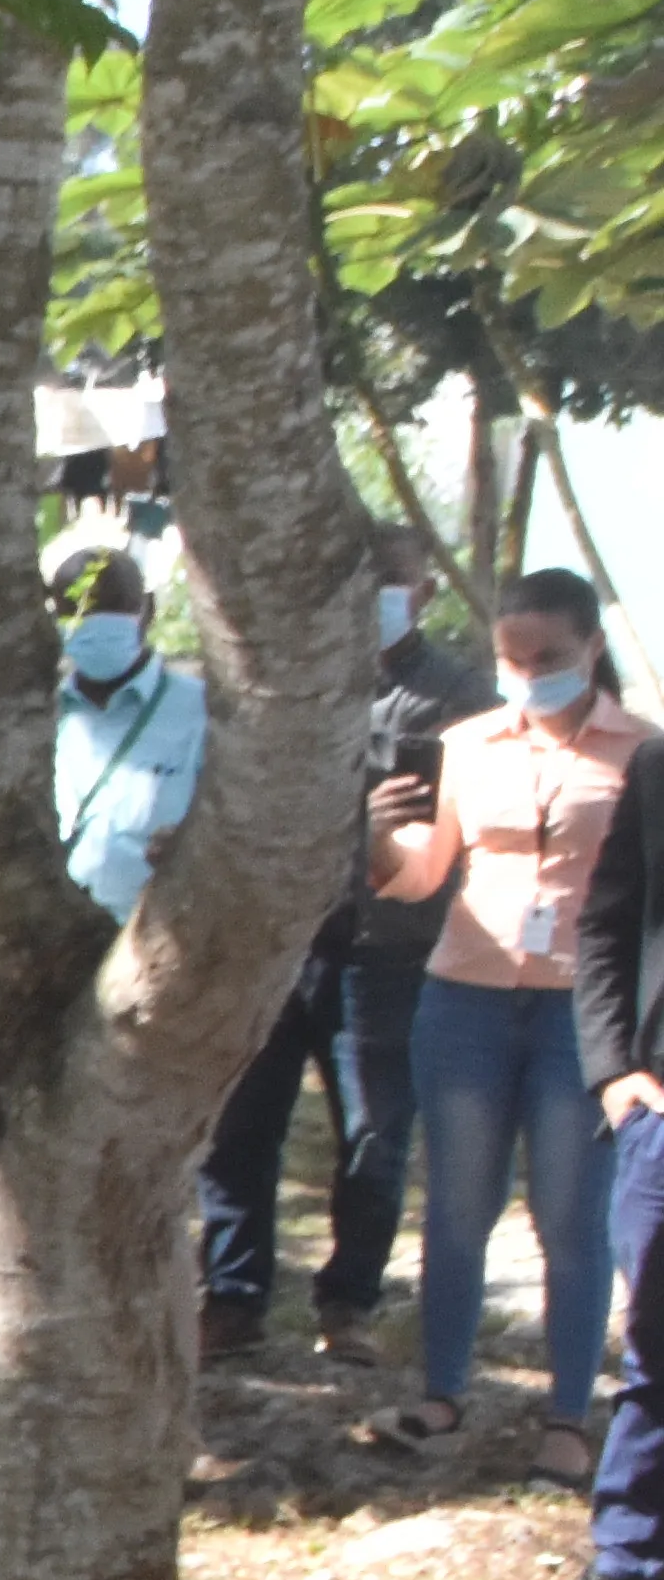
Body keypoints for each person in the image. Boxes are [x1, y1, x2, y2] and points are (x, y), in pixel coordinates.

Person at [371, 570, 647, 1483]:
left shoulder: (644, 752)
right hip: (465, 998)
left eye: (551, 658)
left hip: (585, 1010)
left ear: (593, 648)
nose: (531, 674)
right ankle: (440, 1394)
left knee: (572, 1217)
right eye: (512, 658)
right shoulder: (469, 743)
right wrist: (376, 841)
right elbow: (422, 874)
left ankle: (569, 1415)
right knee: (456, 1207)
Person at [206, 525, 478, 1360]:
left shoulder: (460, 698)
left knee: (374, 1131)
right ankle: (232, 1295)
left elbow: (463, 826)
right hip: (281, 937)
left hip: (388, 947)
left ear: (426, 590)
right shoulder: (293, 684)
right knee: (241, 1123)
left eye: (392, 581)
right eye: (361, 580)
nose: (375, 597)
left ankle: (349, 1300)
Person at [553, 658, 664, 1580]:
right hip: (659, 1114)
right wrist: (613, 1072)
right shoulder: (658, 771)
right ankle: (631, 1559)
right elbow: (605, 928)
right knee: (658, 1343)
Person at [47, 538, 209, 926]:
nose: (93, 621)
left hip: (160, 943)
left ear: (147, 609)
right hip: (52, 949)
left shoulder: (201, 712)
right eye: (77, 609)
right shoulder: (38, 719)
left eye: (111, 607)